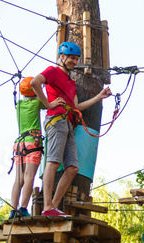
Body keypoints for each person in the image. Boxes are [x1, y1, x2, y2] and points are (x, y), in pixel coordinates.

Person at [31, 41, 113, 216]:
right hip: (56, 120)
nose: (74, 62)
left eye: (76, 59)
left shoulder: (71, 83)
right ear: (62, 56)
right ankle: (47, 207)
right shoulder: (52, 71)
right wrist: (48, 104)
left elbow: (77, 107)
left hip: (67, 123)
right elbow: (34, 83)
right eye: (71, 58)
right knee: (53, 162)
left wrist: (99, 96)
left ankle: (53, 206)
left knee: (73, 167)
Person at [9, 77, 54, 219]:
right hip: (32, 143)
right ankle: (23, 208)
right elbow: (48, 103)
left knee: (19, 179)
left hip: (19, 144)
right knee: (29, 176)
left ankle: (13, 210)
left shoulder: (19, 105)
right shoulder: (36, 103)